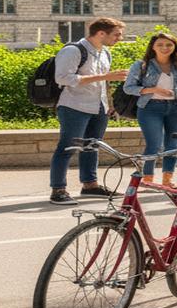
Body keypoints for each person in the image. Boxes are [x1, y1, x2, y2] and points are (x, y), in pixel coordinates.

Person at [48, 17, 129, 205]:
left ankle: (90, 185)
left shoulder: (105, 52)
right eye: (116, 35)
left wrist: (110, 105)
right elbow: (63, 78)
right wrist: (105, 76)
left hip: (99, 106)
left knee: (92, 146)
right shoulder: (73, 50)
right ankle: (58, 190)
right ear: (101, 33)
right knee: (67, 147)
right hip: (74, 106)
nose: (120, 38)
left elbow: (104, 82)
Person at [123, 32, 177, 186]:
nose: (164, 48)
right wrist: (153, 89)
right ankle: (147, 179)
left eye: (169, 44)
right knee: (154, 144)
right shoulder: (141, 65)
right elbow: (129, 88)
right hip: (150, 108)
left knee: (173, 146)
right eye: (160, 44)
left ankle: (167, 180)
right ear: (153, 47)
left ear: (175, 47)